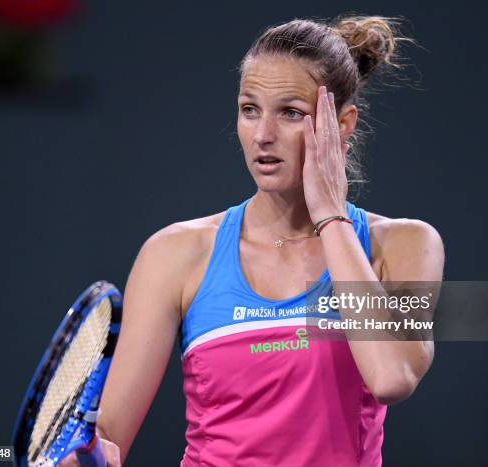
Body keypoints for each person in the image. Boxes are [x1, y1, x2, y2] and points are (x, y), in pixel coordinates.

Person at [62, 14, 445, 467]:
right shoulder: (173, 253)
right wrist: (86, 458)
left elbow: (391, 376)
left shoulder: (405, 245)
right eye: (250, 109)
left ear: (342, 124)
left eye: (290, 113)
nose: (263, 135)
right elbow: (109, 435)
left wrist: (331, 217)